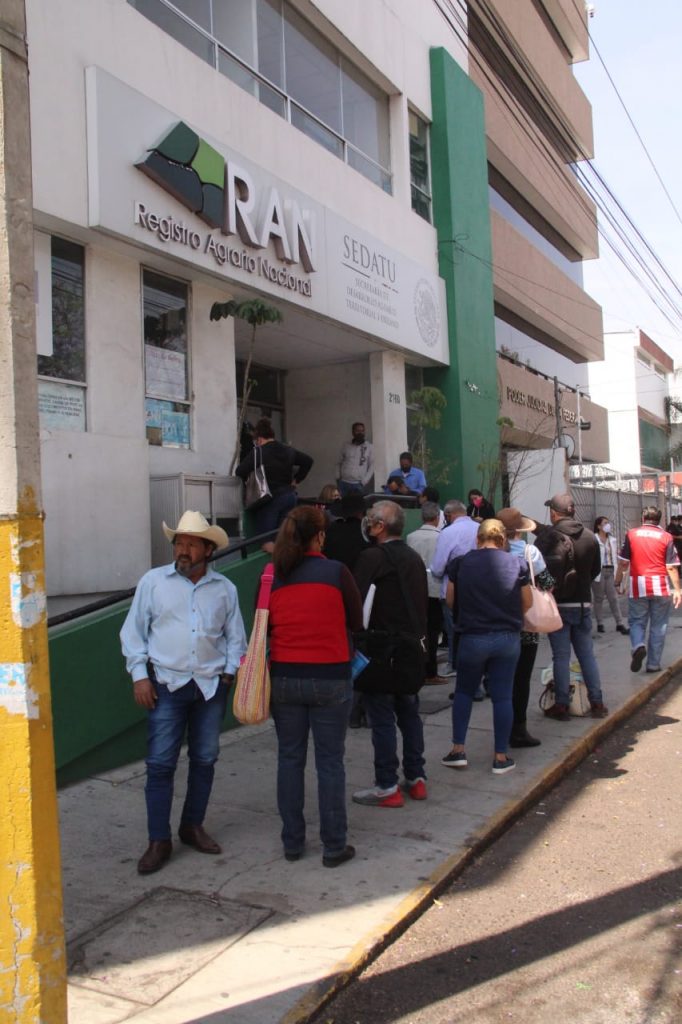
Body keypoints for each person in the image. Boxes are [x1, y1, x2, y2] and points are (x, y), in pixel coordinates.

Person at [120, 511, 247, 875]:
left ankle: (192, 826)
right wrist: (139, 677)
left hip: (210, 687)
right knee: (160, 764)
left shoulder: (225, 589)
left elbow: (235, 637)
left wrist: (228, 674)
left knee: (205, 759)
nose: (183, 550)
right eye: (179, 543)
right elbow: (133, 633)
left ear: (208, 550)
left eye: (192, 544)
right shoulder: (153, 582)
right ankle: (158, 840)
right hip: (166, 685)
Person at [268, 506, 363, 867]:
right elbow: (356, 621)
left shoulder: (272, 576)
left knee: (289, 759)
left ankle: (292, 843)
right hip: (330, 677)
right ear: (320, 536)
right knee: (330, 762)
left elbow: (265, 624)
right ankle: (334, 846)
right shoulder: (336, 572)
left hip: (284, 678)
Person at [352, 501, 429, 807]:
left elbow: (354, 599)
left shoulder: (372, 557)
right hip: (410, 649)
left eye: (371, 520)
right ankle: (416, 777)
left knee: (382, 717)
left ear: (379, 527)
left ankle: (387, 784)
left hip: (381, 649)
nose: (367, 524)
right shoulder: (413, 557)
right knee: (409, 713)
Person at [441, 519, 532, 774]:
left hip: (472, 637)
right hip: (507, 637)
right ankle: (500, 757)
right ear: (503, 540)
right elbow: (527, 602)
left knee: (464, 692)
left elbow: (450, 600)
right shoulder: (517, 564)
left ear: (477, 539)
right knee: (503, 696)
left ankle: (458, 750)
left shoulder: (460, 563)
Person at [535, 493, 609, 721]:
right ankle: (597, 702)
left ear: (554, 513)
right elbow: (595, 569)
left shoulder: (549, 537)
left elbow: (538, 571)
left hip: (558, 604)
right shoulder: (589, 537)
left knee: (561, 656)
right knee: (586, 655)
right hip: (583, 602)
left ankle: (562, 705)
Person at [498, 507, 554, 747]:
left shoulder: (489, 552)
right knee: (521, 679)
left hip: (497, 624)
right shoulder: (530, 552)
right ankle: (518, 729)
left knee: (501, 679)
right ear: (520, 530)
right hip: (526, 625)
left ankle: (501, 729)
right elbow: (547, 582)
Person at [614, 506, 682, 673]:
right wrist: (678, 590)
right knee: (659, 625)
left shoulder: (632, 534)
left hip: (638, 586)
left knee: (637, 621)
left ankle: (638, 645)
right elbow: (671, 567)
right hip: (661, 587)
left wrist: (617, 582)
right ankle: (653, 664)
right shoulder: (666, 537)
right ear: (659, 520)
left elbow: (623, 563)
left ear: (643, 518)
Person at [235, 417, 313, 535]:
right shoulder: (287, 450)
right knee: (284, 536)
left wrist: (249, 480)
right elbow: (308, 461)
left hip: (269, 499)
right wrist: (296, 480)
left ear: (259, 439)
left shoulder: (259, 452)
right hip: (289, 496)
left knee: (266, 537)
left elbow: (240, 471)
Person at [430, 500, 480, 675]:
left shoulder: (448, 533)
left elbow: (438, 567)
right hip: (479, 588)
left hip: (453, 589)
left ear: (449, 515)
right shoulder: (479, 528)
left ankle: (454, 664)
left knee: (454, 631)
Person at [407, 502, 447, 684]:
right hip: (435, 588)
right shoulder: (441, 537)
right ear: (437, 518)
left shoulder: (411, 537)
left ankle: (419, 668)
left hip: (415, 588)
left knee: (418, 629)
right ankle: (431, 672)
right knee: (433, 631)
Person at [592, 516, 629, 635]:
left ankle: (620, 623)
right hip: (599, 571)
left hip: (611, 570)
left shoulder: (612, 539)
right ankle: (600, 623)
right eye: (605, 523)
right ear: (599, 526)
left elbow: (615, 556)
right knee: (598, 598)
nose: (608, 525)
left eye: (608, 523)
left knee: (613, 598)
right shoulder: (594, 539)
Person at [337, 421, 374, 495]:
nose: (360, 433)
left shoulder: (369, 447)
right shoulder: (346, 446)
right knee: (343, 502)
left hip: (358, 485)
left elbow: (372, 466)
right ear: (353, 432)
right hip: (344, 483)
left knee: (357, 502)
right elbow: (338, 462)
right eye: (358, 430)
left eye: (362, 431)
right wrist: (338, 478)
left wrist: (364, 482)